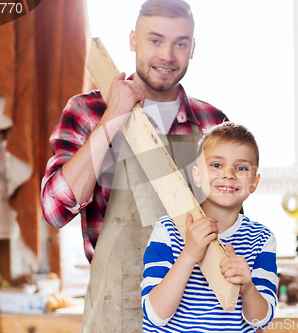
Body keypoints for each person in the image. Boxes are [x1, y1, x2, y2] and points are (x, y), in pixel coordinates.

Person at [40, 0, 228, 262]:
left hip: (196, 299)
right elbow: (55, 210)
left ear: (192, 48)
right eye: (155, 40)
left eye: (180, 44)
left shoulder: (213, 123)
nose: (167, 55)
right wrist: (113, 117)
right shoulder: (87, 111)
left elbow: (231, 228)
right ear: (133, 40)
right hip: (113, 298)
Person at [141, 122, 278, 332]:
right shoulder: (167, 230)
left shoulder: (261, 239)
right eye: (216, 165)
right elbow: (155, 315)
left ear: (254, 182)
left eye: (241, 168)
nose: (228, 173)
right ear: (197, 175)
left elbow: (260, 321)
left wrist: (248, 287)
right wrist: (188, 255)